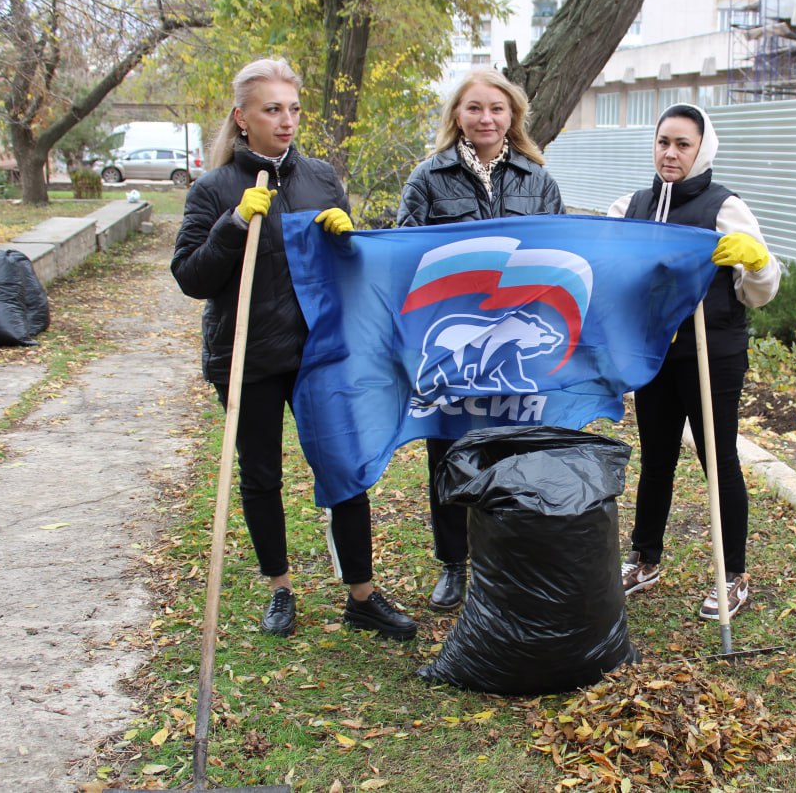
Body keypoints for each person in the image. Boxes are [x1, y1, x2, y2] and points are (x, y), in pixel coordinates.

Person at [171, 57, 416, 641]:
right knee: (262, 476)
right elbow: (191, 277)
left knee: (346, 468)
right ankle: (280, 589)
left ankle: (361, 596)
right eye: (272, 110)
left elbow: (351, 271)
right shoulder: (214, 189)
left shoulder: (320, 178)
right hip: (248, 356)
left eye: (294, 109)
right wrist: (233, 224)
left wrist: (347, 238)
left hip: (318, 352)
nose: (286, 121)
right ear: (243, 118)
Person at [396, 67, 565, 612]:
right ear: (457, 115)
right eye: (474, 107)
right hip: (453, 344)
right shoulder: (428, 178)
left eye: (496, 108)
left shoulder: (538, 180)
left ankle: (509, 560)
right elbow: (403, 254)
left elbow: (560, 253)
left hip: (516, 343)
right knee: (448, 452)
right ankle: (453, 563)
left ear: (513, 115)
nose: (486, 118)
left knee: (514, 451)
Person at [608, 103, 780, 621]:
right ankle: (645, 558)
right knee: (657, 457)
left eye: (683, 144)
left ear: (702, 149)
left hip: (712, 353)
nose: (671, 153)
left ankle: (733, 574)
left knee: (717, 458)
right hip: (656, 352)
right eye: (663, 142)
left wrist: (755, 261)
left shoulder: (724, 208)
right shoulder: (631, 207)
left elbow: (762, 290)